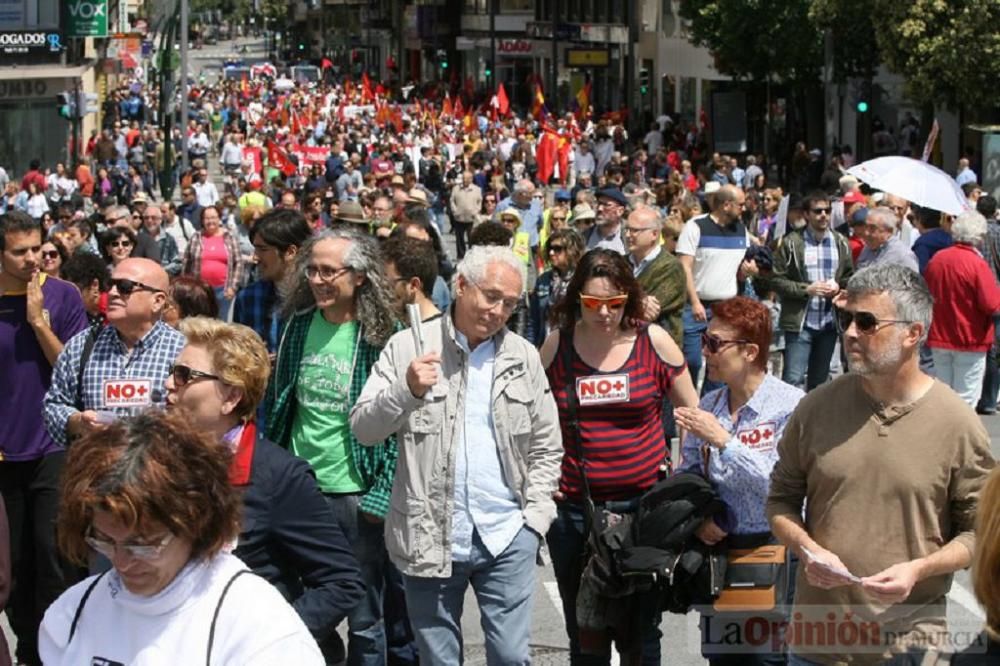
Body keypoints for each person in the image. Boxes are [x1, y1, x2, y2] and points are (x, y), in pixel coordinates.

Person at [767, 263, 995, 665]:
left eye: (867, 322)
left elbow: (978, 534)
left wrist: (920, 569)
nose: (851, 332)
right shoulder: (816, 408)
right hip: (816, 644)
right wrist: (806, 548)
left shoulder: (957, 424)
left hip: (908, 645)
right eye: (846, 318)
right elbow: (780, 501)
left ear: (913, 334)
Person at [350, 244, 562, 665]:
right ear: (462, 285)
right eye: (491, 296)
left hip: (505, 535)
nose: (498, 311)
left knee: (509, 656)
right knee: (439, 659)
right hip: (428, 536)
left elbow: (546, 442)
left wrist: (534, 520)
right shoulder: (408, 346)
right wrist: (406, 391)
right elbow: (364, 428)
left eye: (509, 303)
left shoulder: (521, 355)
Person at [38, 411, 325, 665]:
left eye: (143, 545)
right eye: (104, 541)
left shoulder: (256, 627)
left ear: (194, 522)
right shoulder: (72, 614)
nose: (122, 563)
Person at [165, 318, 365, 662]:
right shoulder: (158, 463)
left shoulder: (279, 477)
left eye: (185, 375)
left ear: (231, 396)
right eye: (173, 371)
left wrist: (268, 639)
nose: (169, 383)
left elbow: (341, 583)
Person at [539, 248, 698, 664]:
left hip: (643, 510)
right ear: (577, 298)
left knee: (641, 632)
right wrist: (541, 476)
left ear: (630, 296)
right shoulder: (559, 345)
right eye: (593, 303)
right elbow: (529, 418)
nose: (605, 313)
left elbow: (692, 412)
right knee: (586, 632)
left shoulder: (653, 340)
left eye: (615, 302)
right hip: (577, 511)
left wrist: (683, 469)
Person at [266, 226, 398, 665]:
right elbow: (280, 405)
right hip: (300, 489)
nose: (318, 280)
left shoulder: (382, 335)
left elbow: (401, 423)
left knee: (364, 615)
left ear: (359, 276)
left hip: (355, 493)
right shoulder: (297, 328)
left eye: (329, 271)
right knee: (301, 610)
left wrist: (381, 491)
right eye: (312, 270)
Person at [675, 296, 805, 665]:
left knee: (768, 659)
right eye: (705, 340)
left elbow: (784, 485)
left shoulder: (790, 405)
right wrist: (700, 518)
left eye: (715, 343)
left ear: (750, 351)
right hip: (719, 553)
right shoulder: (710, 405)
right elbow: (688, 476)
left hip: (772, 550)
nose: (707, 351)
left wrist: (725, 442)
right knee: (722, 658)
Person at [0, 211, 89, 666]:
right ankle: (26, 646)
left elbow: (74, 374)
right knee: (12, 569)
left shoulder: (64, 296)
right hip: (4, 455)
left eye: (37, 248)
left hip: (52, 446)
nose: (33, 258)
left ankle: (52, 652)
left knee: (54, 558)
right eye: (20, 251)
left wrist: (39, 324)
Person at [43, 258, 185, 445]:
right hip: (98, 469)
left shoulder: (182, 351)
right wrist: (78, 422)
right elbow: (54, 406)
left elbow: (198, 418)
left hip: (158, 469)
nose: (112, 293)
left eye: (125, 287)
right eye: (110, 285)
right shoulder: (81, 346)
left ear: (157, 301)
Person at [763, 191, 853, 391]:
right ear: (806, 214)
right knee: (793, 379)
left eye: (827, 211)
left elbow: (849, 277)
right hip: (801, 324)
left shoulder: (840, 242)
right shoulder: (792, 242)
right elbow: (777, 280)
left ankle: (814, 421)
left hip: (829, 323)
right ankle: (789, 421)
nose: (823, 215)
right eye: (818, 211)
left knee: (820, 383)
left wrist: (840, 288)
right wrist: (807, 289)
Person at [676, 184, 752, 388]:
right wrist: (694, 302)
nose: (744, 208)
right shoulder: (695, 227)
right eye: (741, 204)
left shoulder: (741, 230)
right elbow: (684, 267)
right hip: (695, 307)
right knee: (690, 361)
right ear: (727, 205)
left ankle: (710, 408)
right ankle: (685, 404)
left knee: (720, 363)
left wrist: (747, 272)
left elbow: (740, 267)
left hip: (726, 308)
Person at [924, 211, 1000, 406]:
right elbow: (991, 304)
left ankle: (944, 435)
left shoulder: (938, 259)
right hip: (969, 337)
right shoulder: (977, 264)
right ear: (979, 237)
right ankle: (958, 436)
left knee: (944, 396)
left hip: (940, 335)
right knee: (966, 399)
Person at [234, 208, 313, 354]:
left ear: (290, 252)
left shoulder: (318, 301)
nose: (255, 257)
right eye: (255, 249)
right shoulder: (248, 298)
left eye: (262, 249)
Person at [628, 206, 687, 347]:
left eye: (635, 230)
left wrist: (625, 300)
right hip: (627, 346)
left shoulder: (671, 267)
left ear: (654, 234)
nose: (628, 235)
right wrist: (638, 300)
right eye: (627, 229)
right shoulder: (621, 264)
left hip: (661, 349)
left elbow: (648, 311)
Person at [182, 205, 244, 320]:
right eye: (207, 218)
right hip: (200, 291)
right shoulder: (196, 237)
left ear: (219, 218)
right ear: (202, 220)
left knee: (222, 325)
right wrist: (187, 287)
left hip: (223, 290)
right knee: (201, 323)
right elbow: (186, 262)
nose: (210, 221)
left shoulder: (229, 237)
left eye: (213, 217)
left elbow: (238, 262)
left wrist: (233, 287)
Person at [531, 229, 585, 346]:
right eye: (550, 248)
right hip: (546, 343)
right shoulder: (543, 280)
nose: (551, 253)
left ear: (572, 250)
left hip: (576, 345)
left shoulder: (583, 280)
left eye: (558, 249)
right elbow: (533, 319)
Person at [856, 206, 919, 272]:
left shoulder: (902, 255)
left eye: (872, 228)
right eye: (866, 227)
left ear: (889, 231)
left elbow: (913, 280)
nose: (866, 233)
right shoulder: (868, 249)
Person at [59, 252, 109, 326]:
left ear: (95, 285)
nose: (69, 297)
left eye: (74, 291)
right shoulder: (76, 315)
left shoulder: (114, 310)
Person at [139, 204, 181, 276]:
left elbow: (177, 263)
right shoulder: (137, 238)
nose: (149, 220)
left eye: (153, 218)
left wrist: (160, 271)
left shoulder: (168, 239)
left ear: (160, 220)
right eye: (146, 218)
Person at [586, 187, 629, 253]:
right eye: (599, 203)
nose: (600, 208)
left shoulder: (629, 238)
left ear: (620, 211)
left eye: (606, 205)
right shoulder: (585, 236)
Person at [449, 171, 481, 259]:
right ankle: (460, 255)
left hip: (471, 218)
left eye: (466, 178)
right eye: (463, 178)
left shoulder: (477, 189)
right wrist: (455, 211)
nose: (464, 180)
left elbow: (479, 201)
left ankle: (471, 256)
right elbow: (452, 200)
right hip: (459, 217)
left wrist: (476, 211)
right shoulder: (456, 188)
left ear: (471, 179)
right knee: (459, 238)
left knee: (472, 238)